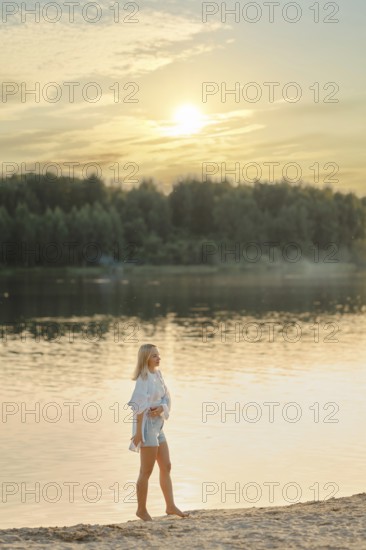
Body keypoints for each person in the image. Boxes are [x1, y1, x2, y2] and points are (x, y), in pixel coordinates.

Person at [127, 343, 189, 521]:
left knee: (166, 466)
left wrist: (162, 408)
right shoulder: (143, 378)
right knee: (145, 471)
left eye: (158, 355)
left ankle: (170, 506)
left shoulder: (158, 374)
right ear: (146, 358)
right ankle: (141, 510)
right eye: (155, 355)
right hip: (146, 427)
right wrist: (138, 433)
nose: (158, 358)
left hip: (158, 426)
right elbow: (138, 406)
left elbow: (166, 397)